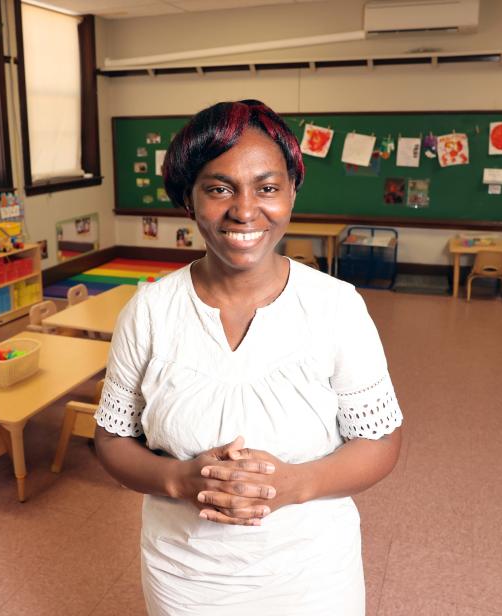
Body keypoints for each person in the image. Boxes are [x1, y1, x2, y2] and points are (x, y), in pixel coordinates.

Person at [94, 100, 404, 615]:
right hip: (184, 575)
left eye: (267, 187)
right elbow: (112, 438)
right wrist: (178, 480)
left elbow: (382, 441)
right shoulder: (149, 312)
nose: (244, 210)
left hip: (313, 574)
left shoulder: (336, 307)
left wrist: (296, 484)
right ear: (188, 200)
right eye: (219, 188)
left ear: (291, 194)